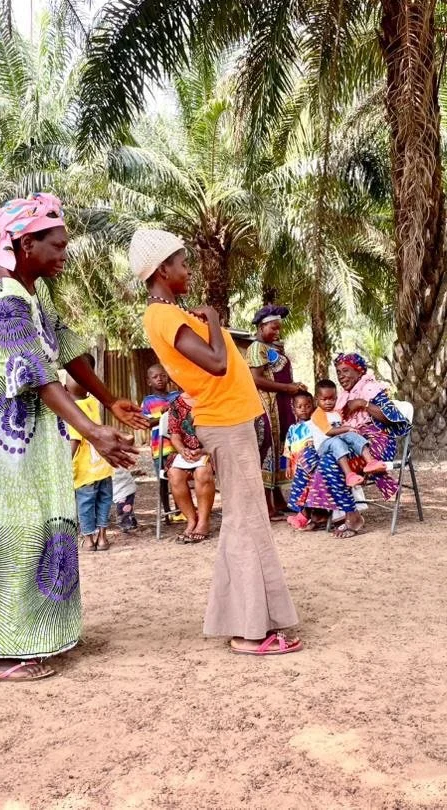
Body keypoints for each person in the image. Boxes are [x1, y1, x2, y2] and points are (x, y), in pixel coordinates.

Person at [0, 192, 146, 682]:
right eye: (56, 245)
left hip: (21, 420)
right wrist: (91, 430)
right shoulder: (0, 296)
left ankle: (20, 634)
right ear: (25, 244)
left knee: (30, 520)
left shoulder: (32, 290)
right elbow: (36, 369)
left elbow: (66, 347)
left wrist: (109, 401)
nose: (65, 253)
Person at [131, 228, 302, 655]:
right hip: (224, 422)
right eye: (182, 263)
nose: (188, 270)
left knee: (248, 519)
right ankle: (249, 632)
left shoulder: (171, 312)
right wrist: (212, 320)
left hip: (232, 420)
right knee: (245, 521)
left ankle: (251, 620)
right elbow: (218, 363)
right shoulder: (164, 316)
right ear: (162, 269)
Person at [302, 353, 410, 538]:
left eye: (345, 371)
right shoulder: (343, 396)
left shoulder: (371, 389)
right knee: (312, 456)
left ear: (359, 371)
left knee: (329, 461)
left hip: (376, 443)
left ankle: (346, 515)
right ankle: (325, 511)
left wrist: (362, 403)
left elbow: (392, 418)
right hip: (350, 441)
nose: (341, 376)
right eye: (338, 372)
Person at [246, 303, 306, 520]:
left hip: (280, 406)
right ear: (261, 327)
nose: (277, 332)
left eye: (279, 328)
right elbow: (256, 379)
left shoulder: (272, 348)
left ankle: (279, 500)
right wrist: (287, 388)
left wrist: (294, 388)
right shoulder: (257, 348)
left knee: (279, 449)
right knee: (267, 451)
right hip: (266, 407)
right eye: (273, 328)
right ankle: (267, 506)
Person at [66, 356, 114, 552]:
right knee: (104, 502)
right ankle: (102, 537)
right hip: (102, 467)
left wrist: (63, 467)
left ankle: (88, 540)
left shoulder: (71, 410)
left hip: (85, 471)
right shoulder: (92, 402)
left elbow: (74, 440)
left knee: (85, 506)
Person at [311, 379, 387, 486]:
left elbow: (342, 431)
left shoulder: (336, 413)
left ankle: (370, 462)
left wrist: (351, 431)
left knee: (351, 435)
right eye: (324, 399)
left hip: (337, 441)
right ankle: (349, 475)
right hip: (323, 445)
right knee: (337, 441)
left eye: (331, 399)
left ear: (336, 398)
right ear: (316, 399)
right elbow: (329, 431)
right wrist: (347, 428)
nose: (328, 402)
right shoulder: (318, 414)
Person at [165, 392, 215, 544]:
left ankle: (203, 522)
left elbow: (220, 433)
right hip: (186, 453)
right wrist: (183, 451)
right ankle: (192, 520)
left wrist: (204, 450)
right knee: (174, 474)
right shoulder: (176, 403)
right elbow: (175, 435)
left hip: (210, 450)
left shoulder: (212, 399)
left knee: (202, 472)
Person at [140, 364, 182, 524]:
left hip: (178, 447)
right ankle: (166, 513)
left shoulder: (177, 396)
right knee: (163, 483)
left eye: (163, 376)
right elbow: (146, 423)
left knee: (178, 479)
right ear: (149, 381)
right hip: (159, 448)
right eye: (155, 377)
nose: (160, 379)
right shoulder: (148, 401)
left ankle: (180, 511)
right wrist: (163, 414)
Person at [283, 391, 319, 529]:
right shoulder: (292, 429)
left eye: (307, 406)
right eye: (299, 406)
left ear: (313, 406)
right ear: (294, 409)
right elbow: (288, 448)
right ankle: (301, 514)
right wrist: (287, 466)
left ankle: (308, 515)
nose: (304, 409)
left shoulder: (315, 425)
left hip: (309, 464)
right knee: (298, 489)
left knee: (309, 488)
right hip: (296, 464)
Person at [112, 467, 138, 532]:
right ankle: (131, 522)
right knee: (127, 506)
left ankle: (126, 525)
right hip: (125, 488)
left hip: (122, 489)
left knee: (123, 508)